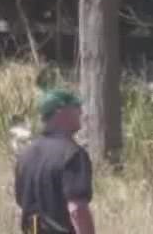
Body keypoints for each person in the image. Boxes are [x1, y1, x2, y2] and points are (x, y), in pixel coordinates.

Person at [14, 88, 96, 234]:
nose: (81, 112)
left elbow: (21, 206)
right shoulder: (73, 154)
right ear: (61, 112)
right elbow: (77, 209)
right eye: (76, 107)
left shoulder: (25, 155)